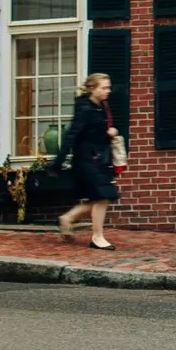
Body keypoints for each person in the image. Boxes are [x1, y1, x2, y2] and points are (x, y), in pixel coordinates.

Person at [57, 73, 122, 249]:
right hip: (86, 160)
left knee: (100, 197)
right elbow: (72, 134)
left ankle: (68, 218)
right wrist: (58, 161)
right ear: (92, 89)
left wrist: (109, 133)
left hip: (98, 159)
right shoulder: (85, 109)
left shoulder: (101, 107)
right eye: (104, 88)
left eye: (108, 87)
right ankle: (97, 237)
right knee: (103, 196)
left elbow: (94, 132)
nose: (108, 91)